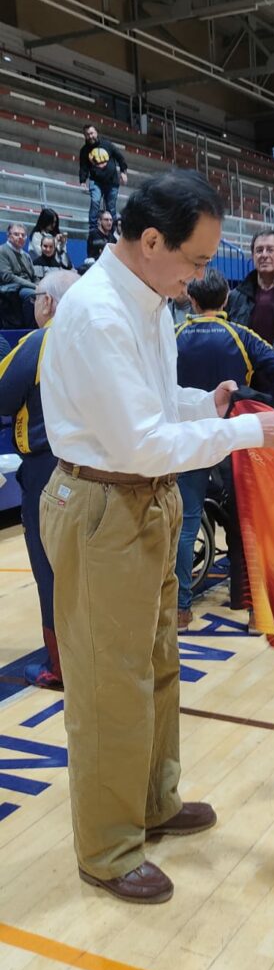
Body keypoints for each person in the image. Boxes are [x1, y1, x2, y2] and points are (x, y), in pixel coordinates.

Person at [39, 170, 274, 905]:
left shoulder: (150, 300)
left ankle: (153, 802)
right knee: (107, 687)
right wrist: (244, 430)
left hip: (142, 500)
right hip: (103, 502)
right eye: (195, 260)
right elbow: (140, 443)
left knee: (156, 664)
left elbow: (154, 408)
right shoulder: (97, 314)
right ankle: (107, 846)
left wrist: (205, 402)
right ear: (150, 241)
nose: (204, 275)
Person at [174, 268, 274, 629]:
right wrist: (259, 404)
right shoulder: (241, 334)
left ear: (192, 301)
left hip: (191, 437)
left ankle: (181, 609)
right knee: (247, 517)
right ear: (226, 299)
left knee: (186, 524)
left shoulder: (173, 334)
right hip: (238, 435)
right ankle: (250, 604)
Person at [0, 269, 78, 689]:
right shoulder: (100, 336)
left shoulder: (41, 341)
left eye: (35, 299)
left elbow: (1, 393)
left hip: (49, 469)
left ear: (47, 303)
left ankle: (61, 666)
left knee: (50, 569)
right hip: (101, 465)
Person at [78, 123, 128, 232]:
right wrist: (82, 181)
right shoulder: (84, 151)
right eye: (87, 134)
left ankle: (112, 232)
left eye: (91, 133)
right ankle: (93, 229)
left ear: (96, 133)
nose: (90, 136)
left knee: (111, 208)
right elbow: (83, 167)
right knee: (95, 201)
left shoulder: (107, 144)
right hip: (96, 181)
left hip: (112, 182)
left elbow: (120, 158)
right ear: (85, 136)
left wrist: (123, 172)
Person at [0, 222, 37, 327]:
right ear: (8, 236)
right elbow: (8, 277)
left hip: (27, 286)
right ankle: (29, 330)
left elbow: (34, 277)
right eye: (16, 234)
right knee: (31, 294)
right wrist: (35, 286)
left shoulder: (26, 255)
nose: (20, 237)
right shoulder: (2, 251)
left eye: (23, 235)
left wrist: (41, 286)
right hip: (10, 287)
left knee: (46, 293)